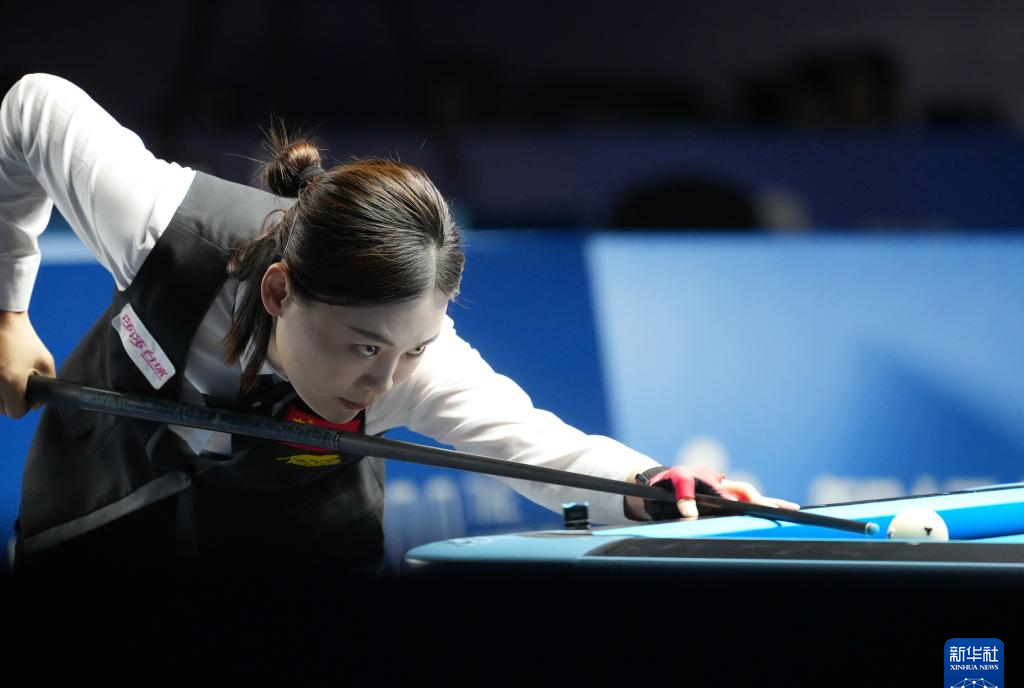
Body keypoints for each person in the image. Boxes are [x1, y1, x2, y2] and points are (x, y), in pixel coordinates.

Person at [0, 73, 798, 576]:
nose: (384, 379)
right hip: (91, 528)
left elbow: (546, 452)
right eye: (365, 346)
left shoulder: (417, 370)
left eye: (413, 347)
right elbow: (33, 108)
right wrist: (6, 308)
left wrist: (657, 489)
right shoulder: (165, 225)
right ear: (278, 292)